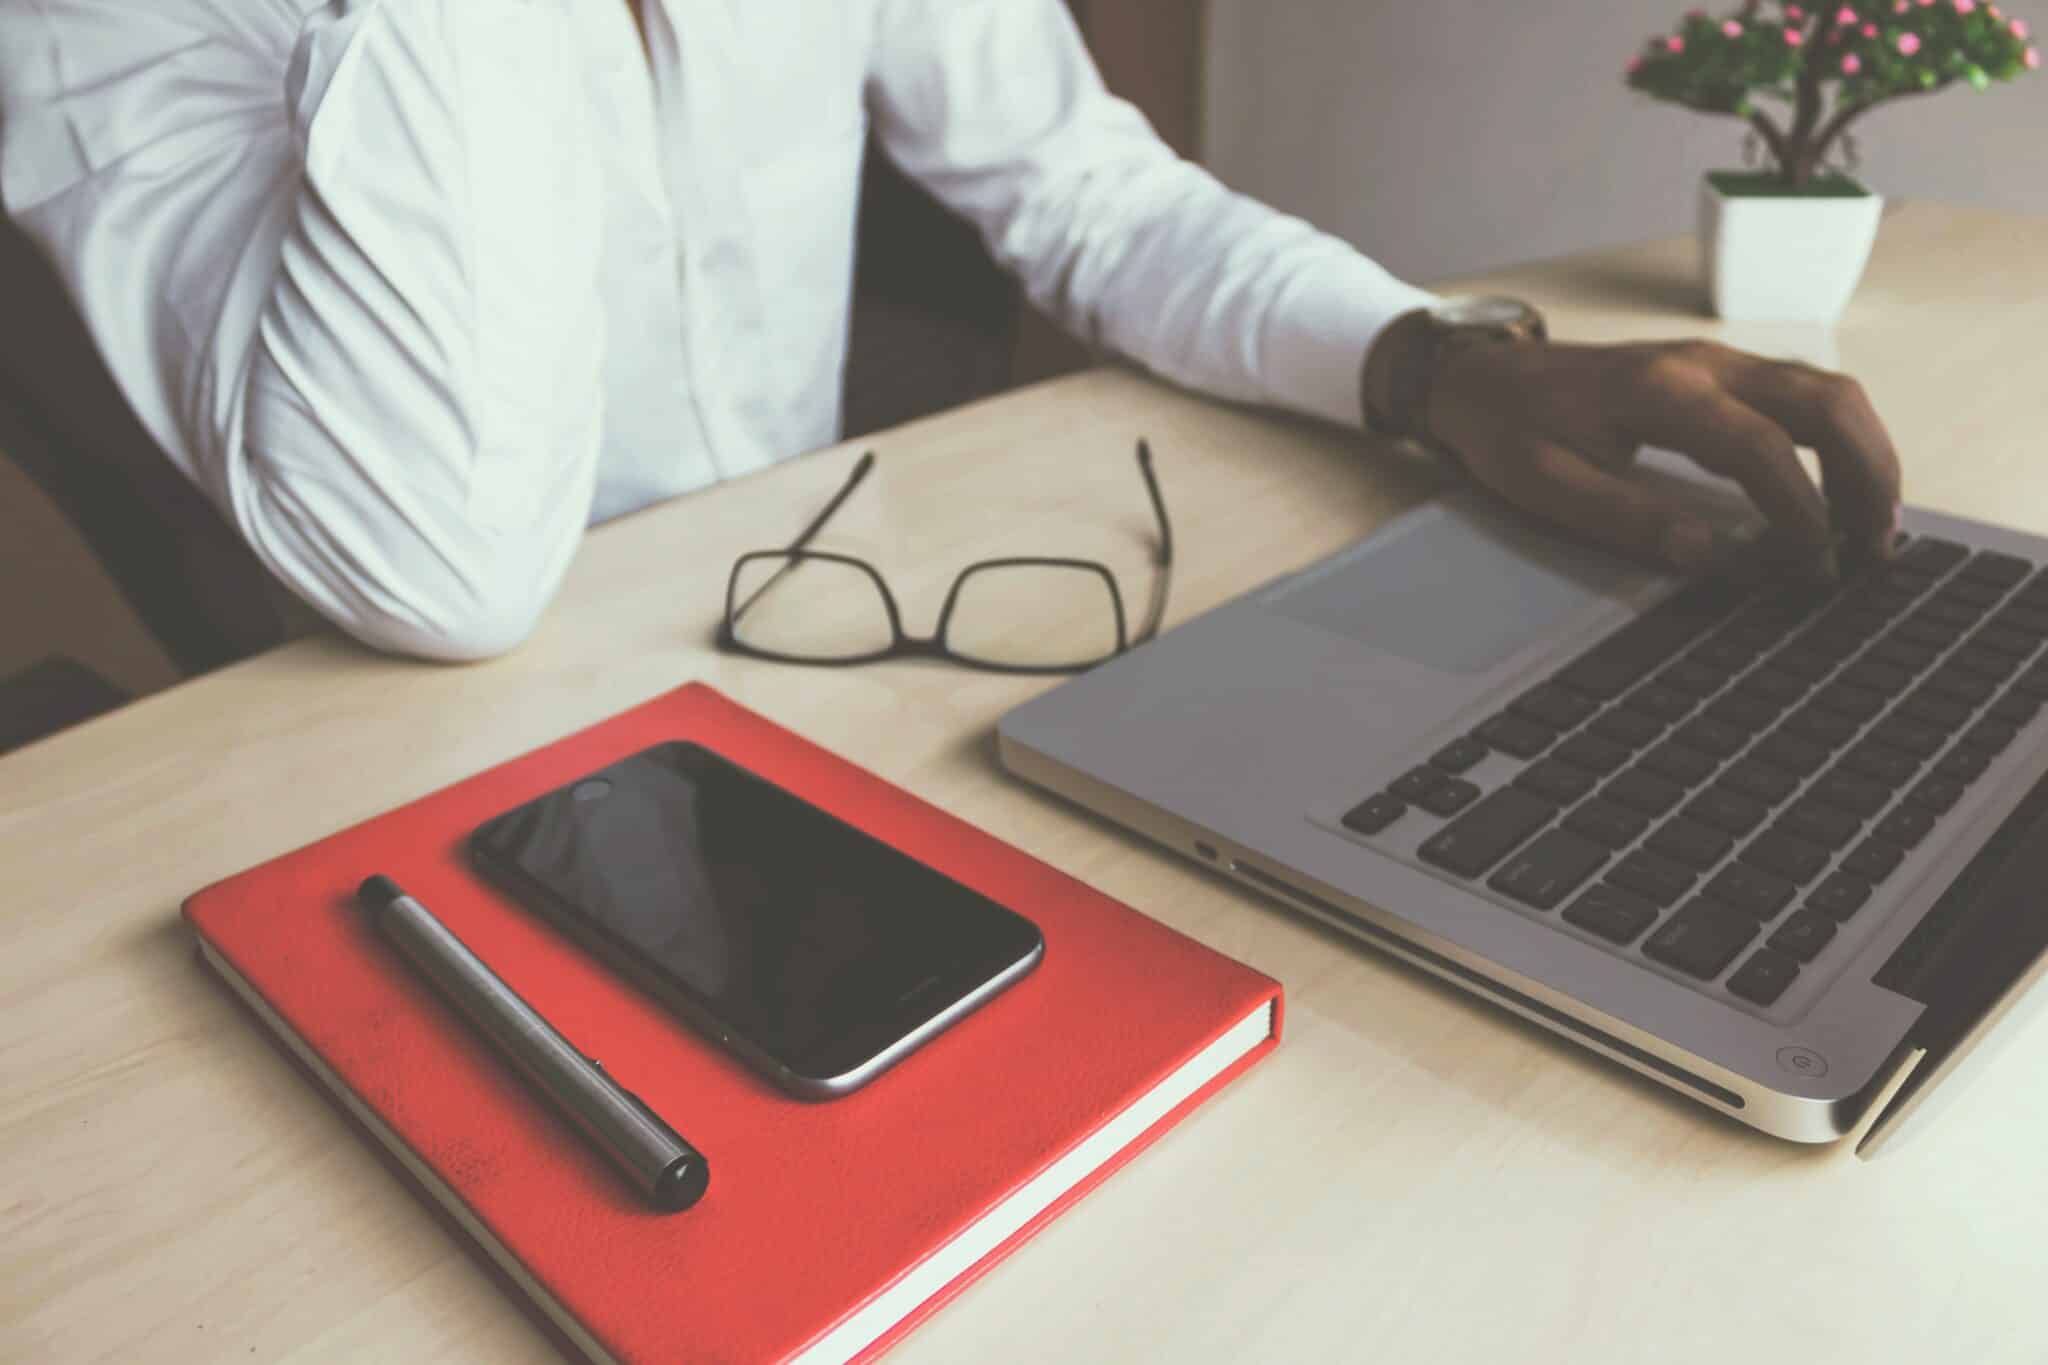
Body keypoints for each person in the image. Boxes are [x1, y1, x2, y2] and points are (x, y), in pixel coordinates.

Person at [0, 0, 1900, 663]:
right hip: (401, 765)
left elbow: (1084, 186)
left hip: (811, 647)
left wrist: (1434, 365)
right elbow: (438, 570)